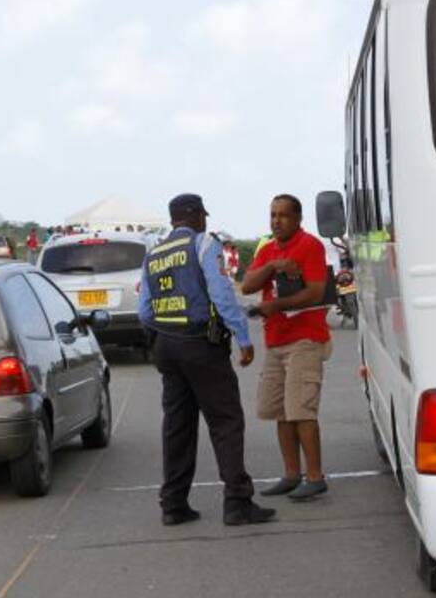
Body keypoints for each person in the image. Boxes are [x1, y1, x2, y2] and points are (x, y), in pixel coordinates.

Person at [138, 193, 274, 527]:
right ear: (196, 216)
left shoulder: (154, 254)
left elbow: (144, 311)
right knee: (226, 421)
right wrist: (243, 337)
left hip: (167, 347)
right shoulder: (202, 245)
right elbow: (221, 295)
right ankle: (238, 503)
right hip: (200, 345)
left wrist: (163, 338)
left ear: (173, 220)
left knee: (177, 427)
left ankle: (173, 504)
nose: (205, 222)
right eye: (203, 216)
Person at [241, 195, 333, 501]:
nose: (276, 221)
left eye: (283, 215)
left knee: (301, 410)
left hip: (304, 339)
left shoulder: (310, 246)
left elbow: (316, 292)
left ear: (298, 219)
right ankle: (292, 474)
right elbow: (247, 285)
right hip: (276, 342)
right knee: (280, 411)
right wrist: (273, 266)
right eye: (272, 215)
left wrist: (277, 304)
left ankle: (315, 476)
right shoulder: (267, 250)